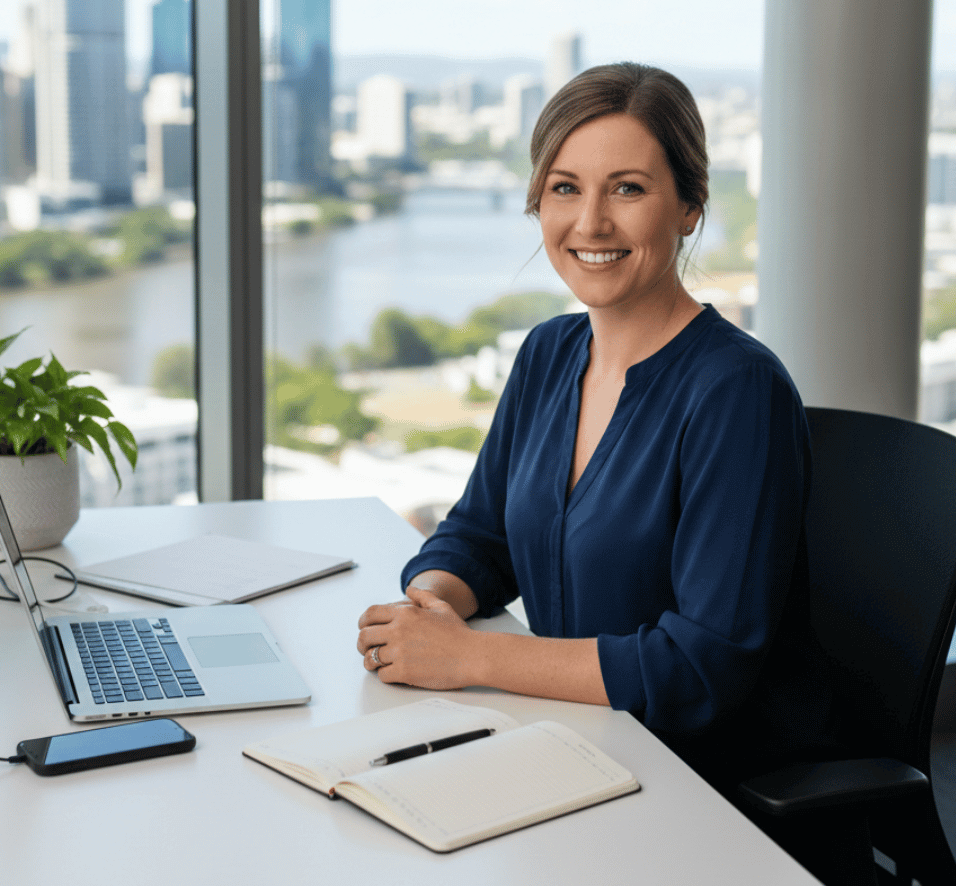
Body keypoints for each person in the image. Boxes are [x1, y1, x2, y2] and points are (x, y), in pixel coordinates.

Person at [356, 61, 830, 786]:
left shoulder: (739, 394)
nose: (590, 223)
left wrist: (472, 658)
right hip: (563, 741)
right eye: (564, 188)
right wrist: (428, 613)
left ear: (691, 205)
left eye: (629, 189)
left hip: (698, 787)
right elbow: (481, 535)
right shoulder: (549, 352)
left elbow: (702, 668)